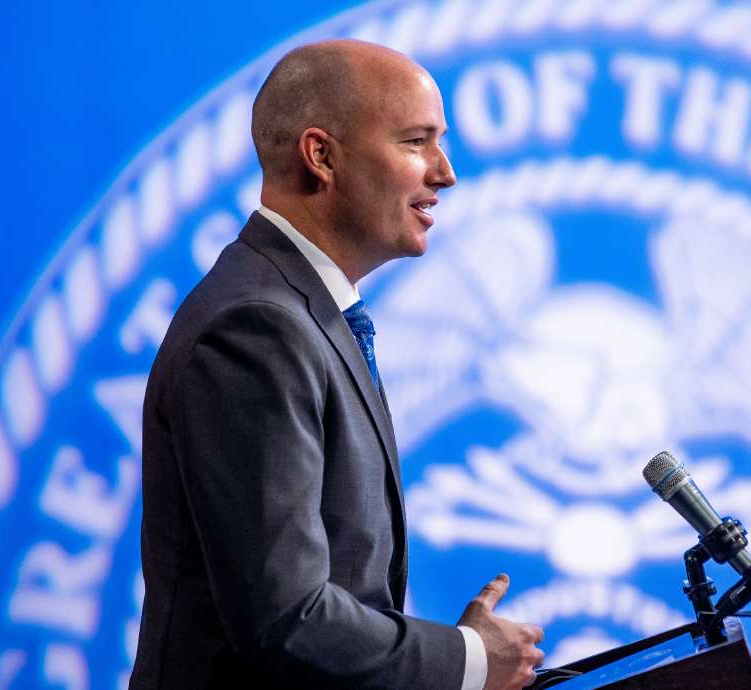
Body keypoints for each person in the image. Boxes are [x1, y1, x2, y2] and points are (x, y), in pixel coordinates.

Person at [130, 39, 544, 689]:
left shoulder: (302, 310)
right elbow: (287, 616)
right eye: (416, 142)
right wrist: (464, 662)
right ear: (321, 156)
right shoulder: (257, 326)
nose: (445, 172)